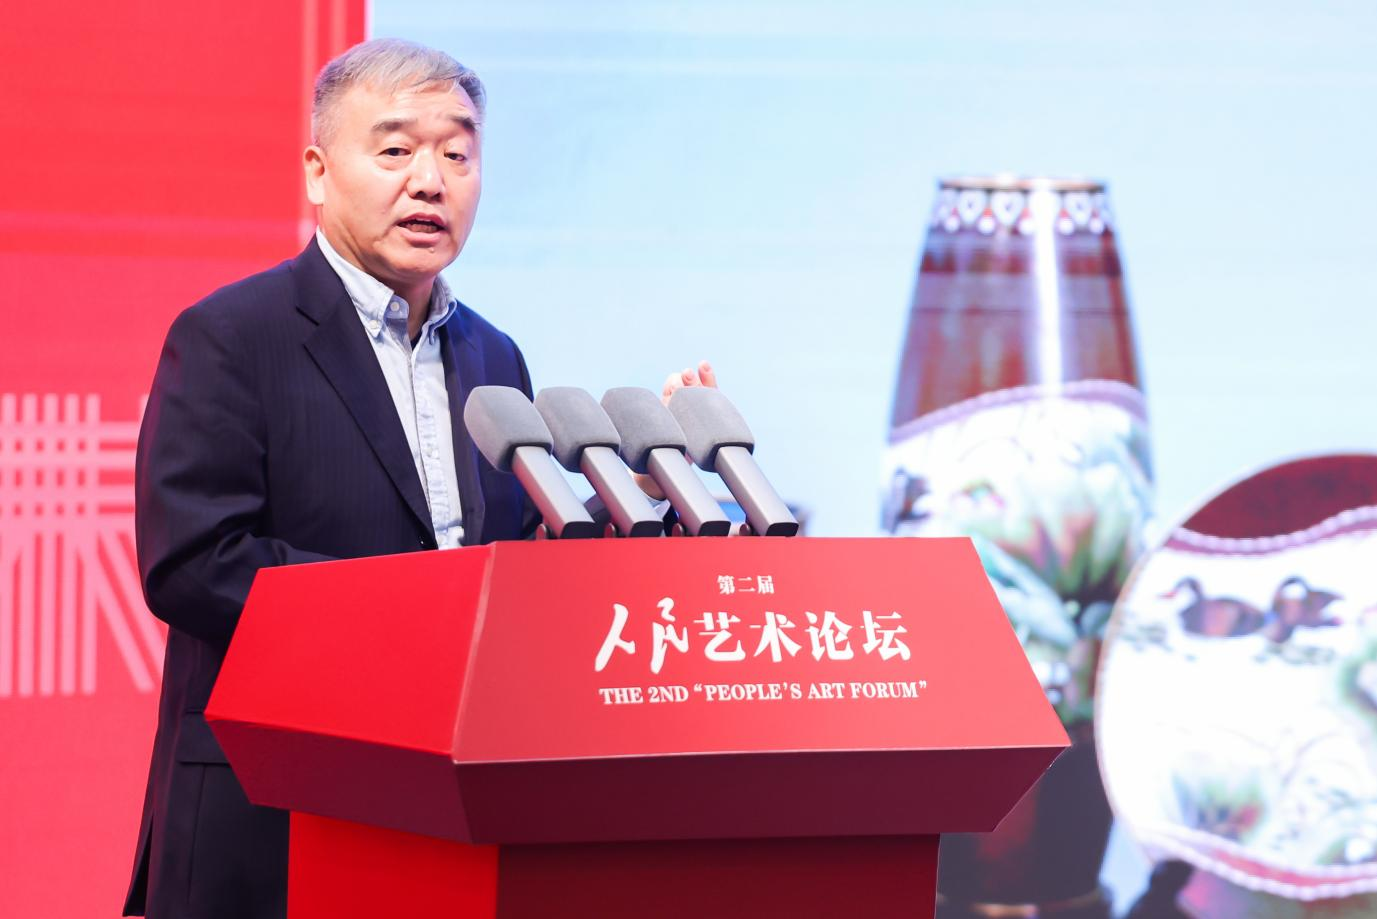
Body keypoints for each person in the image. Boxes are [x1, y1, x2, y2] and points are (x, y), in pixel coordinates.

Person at [122, 38, 715, 919]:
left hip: (447, 815)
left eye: (457, 154)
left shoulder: (493, 356)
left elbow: (505, 561)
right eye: (396, 149)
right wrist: (415, 616)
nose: (430, 182)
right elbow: (193, 562)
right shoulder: (233, 337)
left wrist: (643, 491)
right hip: (277, 811)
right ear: (319, 172)